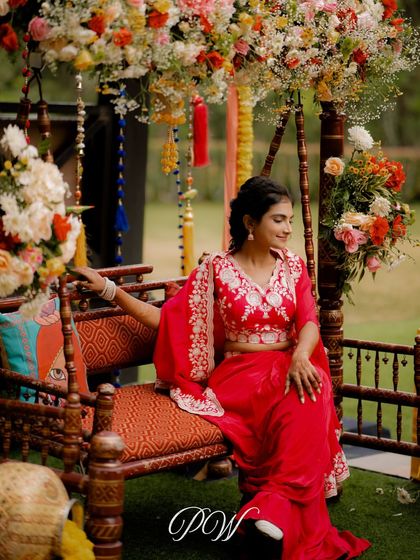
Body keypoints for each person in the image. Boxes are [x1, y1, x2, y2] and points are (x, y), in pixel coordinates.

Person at [75, 176, 371, 559]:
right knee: (297, 397)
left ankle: (270, 513)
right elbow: (168, 320)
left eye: (290, 220)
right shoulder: (217, 270)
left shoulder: (294, 266)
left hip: (287, 363)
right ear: (251, 223)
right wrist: (108, 290)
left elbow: (309, 321)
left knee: (310, 390)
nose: (287, 228)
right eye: (278, 220)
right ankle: (274, 512)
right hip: (240, 374)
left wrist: (300, 355)